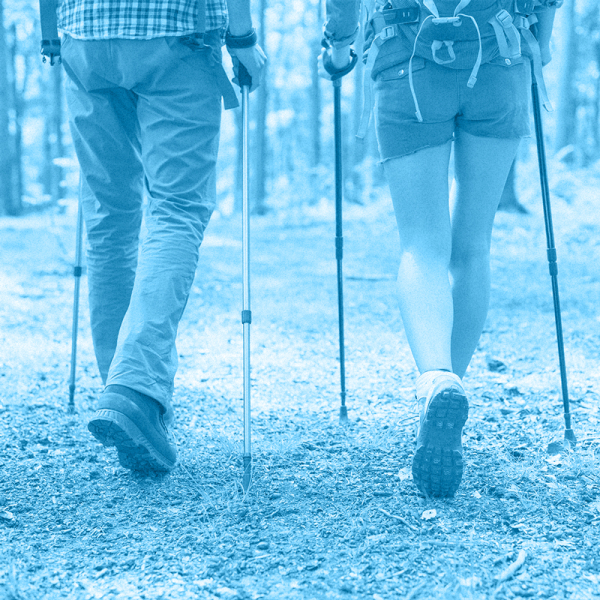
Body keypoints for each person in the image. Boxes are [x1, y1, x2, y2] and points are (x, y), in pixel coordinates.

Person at [320, 0, 560, 496]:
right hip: (500, 53)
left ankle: (437, 380)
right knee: (473, 245)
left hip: (407, 59)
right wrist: (544, 38)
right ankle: (448, 389)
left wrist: (339, 45)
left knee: (422, 246)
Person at [57, 0, 266, 473]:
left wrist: (53, 32)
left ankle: (123, 393)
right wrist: (243, 38)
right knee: (177, 208)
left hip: (85, 35)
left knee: (108, 216)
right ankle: (134, 389)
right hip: (177, 33)